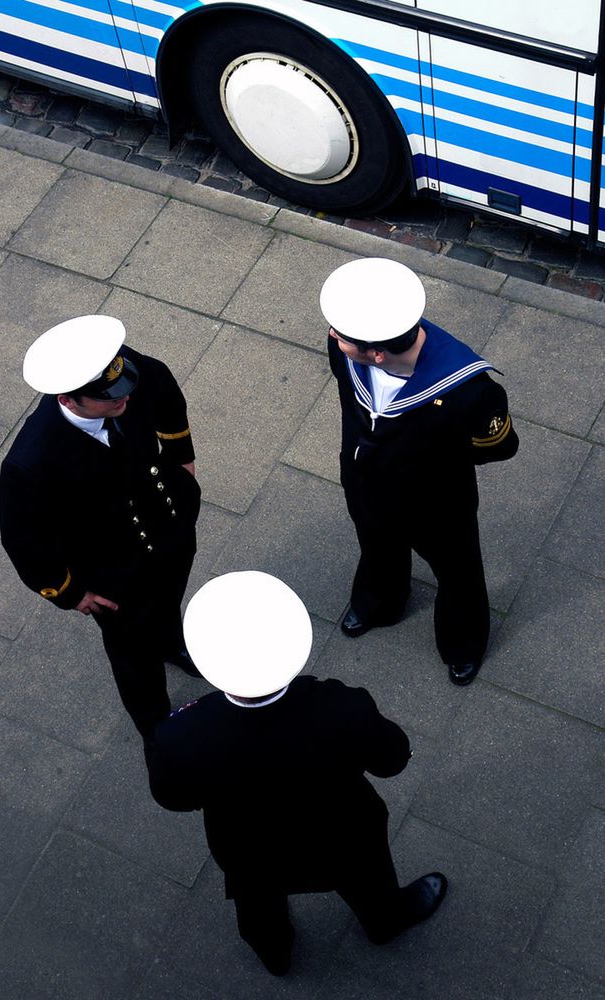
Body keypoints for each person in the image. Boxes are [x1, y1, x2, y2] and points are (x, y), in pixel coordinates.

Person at [147, 571, 447, 976]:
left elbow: (172, 797)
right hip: (343, 834)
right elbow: (392, 759)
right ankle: (385, 923)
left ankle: (275, 955)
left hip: (248, 848)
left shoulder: (176, 736)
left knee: (256, 906)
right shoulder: (343, 707)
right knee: (370, 883)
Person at [0, 315, 201, 741]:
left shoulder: (122, 374)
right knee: (133, 656)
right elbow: (23, 541)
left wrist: (182, 458)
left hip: (169, 527)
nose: (123, 399)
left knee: (169, 599)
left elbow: (164, 391)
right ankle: (155, 724)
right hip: (115, 576)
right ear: (70, 401)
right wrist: (70, 592)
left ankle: (172, 641)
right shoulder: (30, 462)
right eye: (109, 399)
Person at [321, 257, 519, 686]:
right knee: (376, 547)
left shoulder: (472, 392)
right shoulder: (350, 346)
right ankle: (380, 602)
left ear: (377, 351)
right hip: (365, 483)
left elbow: (499, 447)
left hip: (436, 503)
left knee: (459, 573)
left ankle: (463, 643)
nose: (333, 337)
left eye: (342, 337)